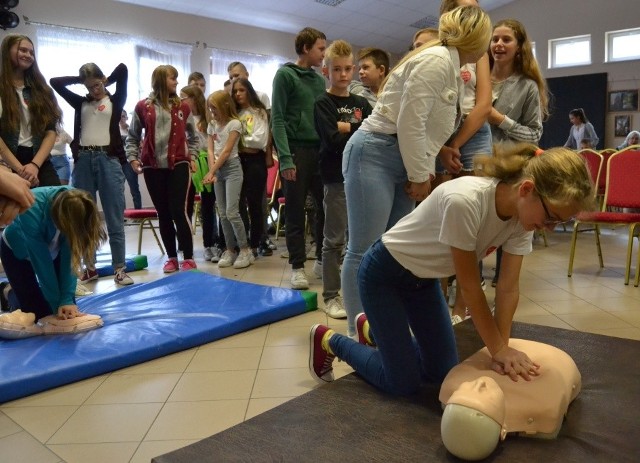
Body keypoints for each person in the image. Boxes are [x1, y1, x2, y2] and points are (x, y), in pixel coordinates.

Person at [309, 144, 595, 397]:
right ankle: (330, 341)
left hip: (422, 282)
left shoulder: (524, 219)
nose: (550, 228)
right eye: (551, 219)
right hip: (383, 276)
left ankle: (372, 331)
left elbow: (508, 288)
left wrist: (502, 348)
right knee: (402, 384)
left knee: (440, 373)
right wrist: (497, 349)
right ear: (527, 189)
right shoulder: (466, 201)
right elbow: (470, 288)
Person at [340, 5, 489, 337]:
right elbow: (410, 124)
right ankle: (358, 331)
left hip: (397, 156)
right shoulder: (438, 61)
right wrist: (421, 176)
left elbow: (425, 123)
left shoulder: (448, 64)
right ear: (475, 38)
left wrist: (442, 151)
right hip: (375, 154)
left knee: (393, 250)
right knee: (364, 247)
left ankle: (383, 328)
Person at [50, 62, 134, 286]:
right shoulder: (81, 103)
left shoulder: (115, 100)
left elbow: (123, 69)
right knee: (84, 217)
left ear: (103, 81)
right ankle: (90, 267)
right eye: (89, 87)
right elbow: (55, 83)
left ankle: (120, 269)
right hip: (84, 162)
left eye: (97, 85)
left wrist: (104, 80)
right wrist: (81, 81)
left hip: (109, 161)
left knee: (114, 217)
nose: (94, 91)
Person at [436, 0, 493, 323]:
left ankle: (464, 306)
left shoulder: (480, 51)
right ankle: (438, 300)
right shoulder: (438, 49)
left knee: (475, 219)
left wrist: (454, 143)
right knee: (443, 217)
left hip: (473, 131)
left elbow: (484, 104)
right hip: (442, 133)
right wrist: (444, 144)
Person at [439, 339, 581, 459]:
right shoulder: (542, 407)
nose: (480, 383)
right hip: (555, 358)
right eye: (483, 395)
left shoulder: (452, 383)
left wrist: (500, 348)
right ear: (502, 431)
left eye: (466, 390)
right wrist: (500, 349)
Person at [488, 18, 549, 287]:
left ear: (519, 46)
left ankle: (503, 283)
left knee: (507, 227)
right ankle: (468, 284)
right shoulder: (476, 78)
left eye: (506, 39)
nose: (499, 44)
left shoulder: (527, 86)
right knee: (471, 224)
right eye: (495, 39)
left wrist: (500, 119)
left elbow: (534, 135)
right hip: (474, 164)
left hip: (510, 168)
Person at [314, 39, 372, 319]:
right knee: (334, 239)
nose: (344, 75)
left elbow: (372, 133)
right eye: (337, 69)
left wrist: (347, 126)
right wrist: (355, 129)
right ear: (327, 71)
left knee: (358, 240)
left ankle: (357, 293)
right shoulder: (323, 103)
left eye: (348, 68)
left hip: (360, 176)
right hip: (335, 177)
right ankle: (331, 296)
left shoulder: (361, 102)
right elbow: (333, 141)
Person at [126, 65, 199, 273]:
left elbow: (194, 137)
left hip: (179, 165)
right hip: (152, 166)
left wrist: (192, 156)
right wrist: (133, 159)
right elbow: (132, 136)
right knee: (163, 213)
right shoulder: (142, 107)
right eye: (172, 78)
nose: (177, 82)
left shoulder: (184, 108)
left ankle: (188, 256)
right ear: (160, 80)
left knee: (179, 210)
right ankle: (172, 257)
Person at [271, 27, 327, 290]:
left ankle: (321, 258)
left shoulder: (318, 80)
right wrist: (285, 159)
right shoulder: (284, 75)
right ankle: (297, 267)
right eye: (320, 49)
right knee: (295, 210)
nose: (323, 54)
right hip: (295, 151)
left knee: (325, 208)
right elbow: (278, 119)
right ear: (306, 48)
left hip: (319, 151)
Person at [0, 186, 107, 322]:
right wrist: (57, 306)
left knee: (67, 307)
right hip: (16, 251)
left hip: (53, 249)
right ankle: (8, 291)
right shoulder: (30, 208)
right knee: (36, 314)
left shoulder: (78, 202)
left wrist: (66, 299)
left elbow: (70, 258)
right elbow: (42, 264)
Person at [0, 34, 62, 188]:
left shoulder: (42, 89)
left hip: (39, 160)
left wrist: (34, 165)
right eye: (23, 50)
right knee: (15, 209)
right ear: (7, 52)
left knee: (56, 202)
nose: (28, 55)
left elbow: (50, 131)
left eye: (31, 52)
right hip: (7, 161)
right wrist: (20, 170)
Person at [203, 90, 254, 269]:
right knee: (222, 212)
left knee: (232, 211)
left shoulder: (234, 124)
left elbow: (226, 150)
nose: (212, 112)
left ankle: (245, 249)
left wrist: (212, 171)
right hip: (218, 170)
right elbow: (211, 150)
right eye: (210, 108)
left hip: (232, 168)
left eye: (215, 108)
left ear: (225, 105)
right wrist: (212, 171)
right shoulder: (211, 125)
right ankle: (229, 249)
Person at [180, 85, 225, 263]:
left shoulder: (209, 120)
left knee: (209, 205)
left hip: (208, 163)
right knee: (187, 206)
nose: (181, 101)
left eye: (184, 98)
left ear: (194, 98)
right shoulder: (182, 118)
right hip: (189, 165)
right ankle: (187, 245)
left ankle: (213, 243)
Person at [232, 78, 273, 258]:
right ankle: (242, 244)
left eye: (242, 90)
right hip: (236, 160)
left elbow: (259, 140)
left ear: (249, 91)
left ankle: (256, 243)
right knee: (237, 205)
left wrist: (238, 142)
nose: (238, 94)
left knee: (255, 204)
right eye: (235, 91)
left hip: (255, 161)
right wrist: (240, 145)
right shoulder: (233, 114)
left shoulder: (259, 112)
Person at [119, 110, 142, 209]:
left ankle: (139, 212)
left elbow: (140, 143)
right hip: (118, 160)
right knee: (119, 189)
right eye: (119, 116)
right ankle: (122, 214)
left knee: (134, 188)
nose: (121, 119)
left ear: (127, 118)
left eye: (123, 116)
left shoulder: (131, 130)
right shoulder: (114, 131)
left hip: (130, 160)